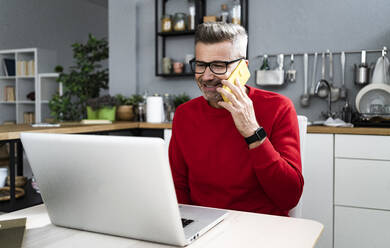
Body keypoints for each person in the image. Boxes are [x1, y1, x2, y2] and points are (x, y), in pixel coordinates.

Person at [168, 22, 303, 216]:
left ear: (243, 68)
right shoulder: (184, 114)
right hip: (203, 230)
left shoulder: (279, 107)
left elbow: (289, 197)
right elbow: (178, 188)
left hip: (261, 228)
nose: (206, 76)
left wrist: (252, 130)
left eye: (218, 65)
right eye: (200, 65)